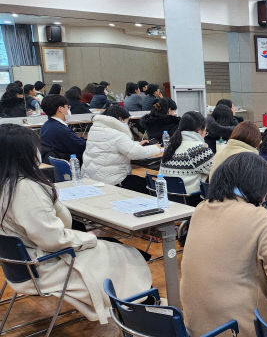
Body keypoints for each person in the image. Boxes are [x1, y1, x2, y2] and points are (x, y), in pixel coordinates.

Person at [0, 124, 153, 324]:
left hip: (20, 265)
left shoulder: (7, 184)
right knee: (125, 253)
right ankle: (133, 309)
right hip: (44, 266)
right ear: (22, 154)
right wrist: (88, 239)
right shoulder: (25, 188)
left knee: (111, 246)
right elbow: (53, 239)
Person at [180, 152, 267, 337]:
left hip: (196, 331)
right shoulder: (259, 216)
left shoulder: (200, 209)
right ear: (258, 189)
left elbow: (232, 243)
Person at [81, 105, 161, 192]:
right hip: (112, 180)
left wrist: (136, 144)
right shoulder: (117, 134)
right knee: (148, 185)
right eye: (127, 122)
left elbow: (110, 146)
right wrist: (156, 148)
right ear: (120, 119)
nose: (128, 125)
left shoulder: (95, 129)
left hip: (91, 178)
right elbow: (136, 153)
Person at [159, 111, 214, 194]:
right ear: (199, 130)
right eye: (205, 131)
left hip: (168, 198)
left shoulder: (171, 145)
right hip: (191, 200)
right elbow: (217, 172)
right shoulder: (198, 149)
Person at [39, 94, 86, 162]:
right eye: (67, 107)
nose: (69, 110)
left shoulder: (46, 125)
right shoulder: (60, 129)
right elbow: (81, 147)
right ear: (60, 109)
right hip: (68, 163)